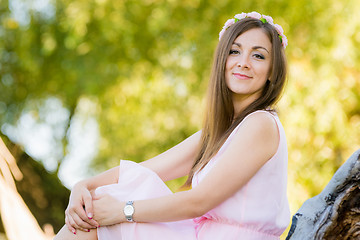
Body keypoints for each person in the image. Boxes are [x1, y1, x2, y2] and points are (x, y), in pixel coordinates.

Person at [54, 11, 290, 240]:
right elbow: (144, 171)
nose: (243, 63)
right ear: (222, 60)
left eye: (258, 56)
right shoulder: (221, 132)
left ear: (272, 71)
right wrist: (84, 185)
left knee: (99, 219)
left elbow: (199, 201)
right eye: (234, 52)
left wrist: (123, 211)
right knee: (95, 211)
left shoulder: (261, 124)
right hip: (197, 235)